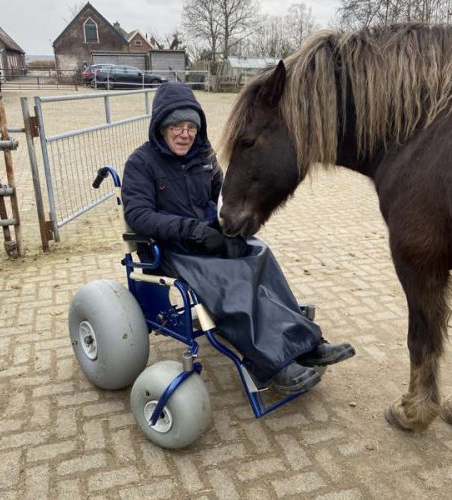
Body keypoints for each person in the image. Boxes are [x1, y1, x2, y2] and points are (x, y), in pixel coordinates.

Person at [122, 82, 355, 394]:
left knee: (260, 256)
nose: (184, 133)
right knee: (234, 278)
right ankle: (272, 365)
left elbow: (224, 194)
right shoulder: (141, 163)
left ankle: (307, 343)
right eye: (176, 125)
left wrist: (226, 227)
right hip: (175, 248)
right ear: (160, 126)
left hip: (210, 237)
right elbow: (138, 216)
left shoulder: (204, 154)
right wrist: (191, 230)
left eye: (191, 126)